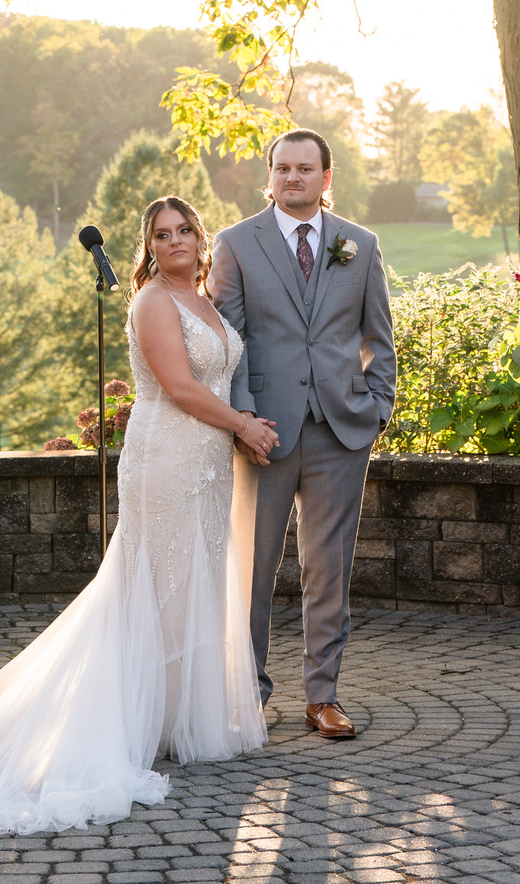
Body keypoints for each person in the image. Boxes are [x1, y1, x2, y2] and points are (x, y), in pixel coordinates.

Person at [0, 196, 273, 835]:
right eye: (162, 234)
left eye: (185, 230)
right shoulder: (150, 302)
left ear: (202, 238)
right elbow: (179, 387)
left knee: (197, 579)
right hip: (166, 457)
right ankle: (132, 723)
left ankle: (180, 720)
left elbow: (220, 375)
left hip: (206, 465)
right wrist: (245, 426)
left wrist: (233, 431)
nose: (176, 241)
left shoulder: (207, 301)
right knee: (159, 584)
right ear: (149, 245)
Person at [207, 129, 396, 739]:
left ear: (325, 178)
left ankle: (323, 696)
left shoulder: (359, 245)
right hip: (264, 430)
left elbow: (379, 338)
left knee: (329, 569)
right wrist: (242, 420)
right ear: (269, 176)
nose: (293, 178)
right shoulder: (236, 244)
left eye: (305, 169)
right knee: (253, 570)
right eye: (283, 168)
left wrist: (377, 407)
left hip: (341, 431)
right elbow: (226, 344)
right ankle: (249, 695)